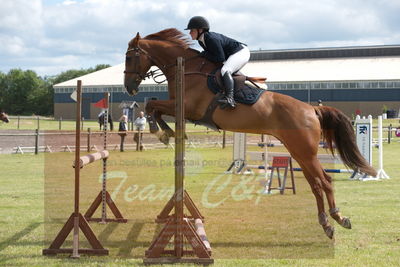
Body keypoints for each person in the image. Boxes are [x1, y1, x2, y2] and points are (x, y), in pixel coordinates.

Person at [185, 16, 250, 109]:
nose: (190, 33)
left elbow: (220, 58)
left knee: (225, 70)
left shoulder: (210, 38)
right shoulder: (201, 41)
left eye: (192, 30)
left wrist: (204, 54)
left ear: (200, 30)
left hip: (241, 52)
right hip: (231, 55)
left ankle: (230, 99)